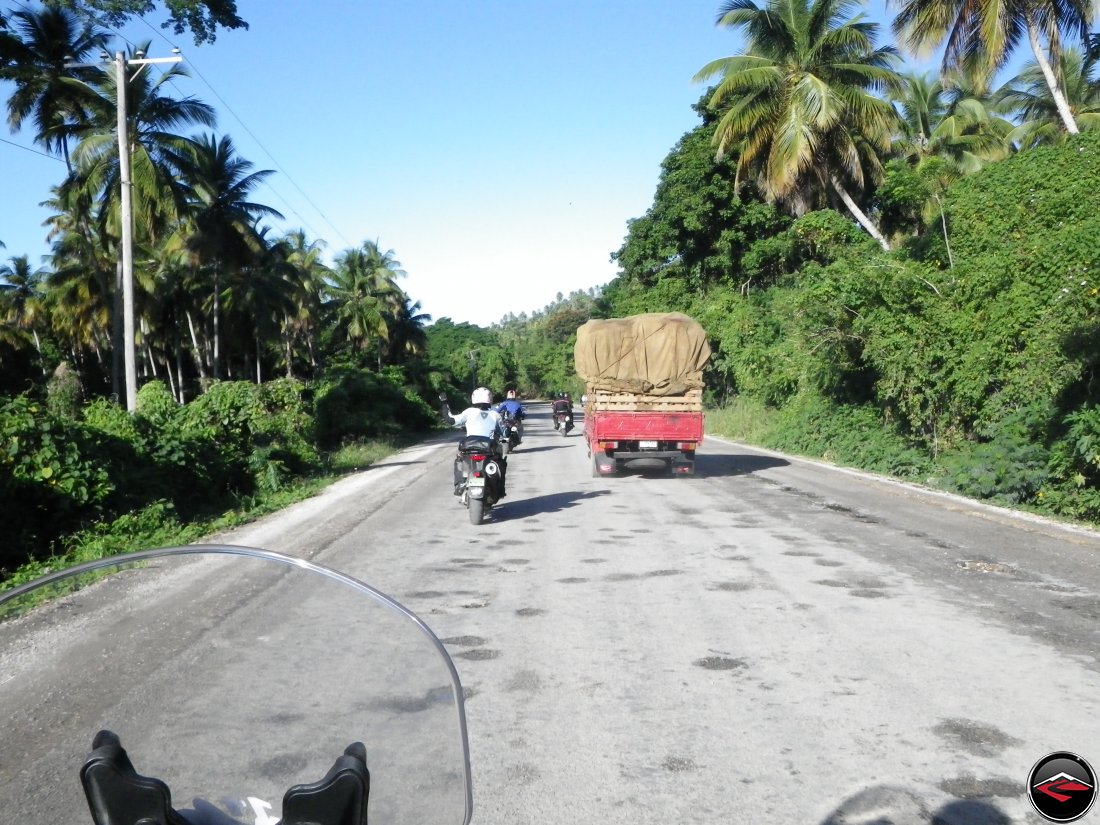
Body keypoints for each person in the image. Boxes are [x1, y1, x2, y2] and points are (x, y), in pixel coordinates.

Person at [440, 387, 507, 498]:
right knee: (501, 463)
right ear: (490, 399)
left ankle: (460, 484)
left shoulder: (469, 412)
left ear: (473, 399)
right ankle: (499, 490)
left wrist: (444, 403)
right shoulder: (496, 415)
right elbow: (504, 433)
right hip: (488, 448)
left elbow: (450, 420)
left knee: (460, 459)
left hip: (469, 447)